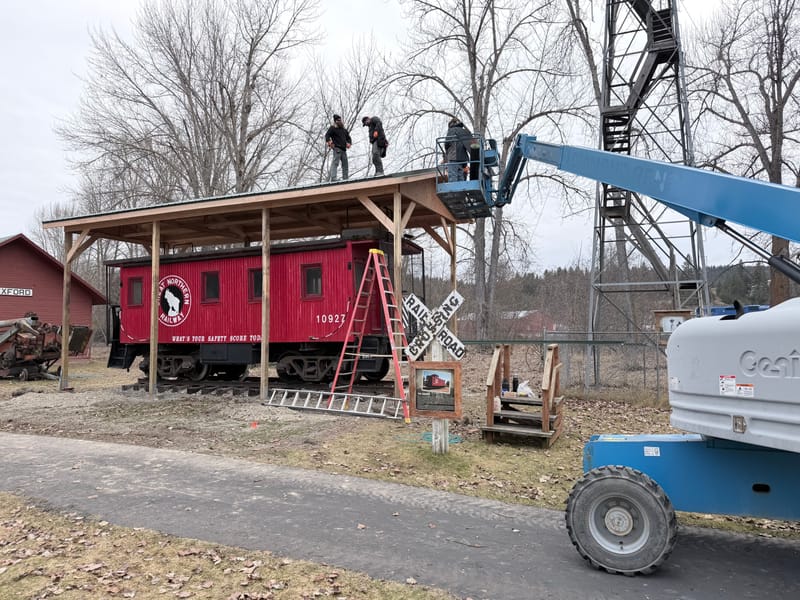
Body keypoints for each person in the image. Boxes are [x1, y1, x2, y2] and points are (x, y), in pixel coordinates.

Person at [324, 114, 352, 181]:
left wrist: (349, 143)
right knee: (335, 163)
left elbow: (349, 138)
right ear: (335, 121)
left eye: (340, 120)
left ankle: (345, 179)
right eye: (337, 120)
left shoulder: (344, 130)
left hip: (343, 150)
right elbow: (327, 135)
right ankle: (333, 178)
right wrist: (329, 142)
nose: (339, 121)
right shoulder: (333, 128)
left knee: (345, 165)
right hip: (337, 148)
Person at [444, 117, 472, 182]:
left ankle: (453, 191)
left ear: (451, 124)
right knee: (460, 177)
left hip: (453, 157)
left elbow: (447, 143)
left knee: (453, 178)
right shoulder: (464, 131)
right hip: (463, 159)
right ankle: (461, 191)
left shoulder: (452, 130)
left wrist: (446, 151)